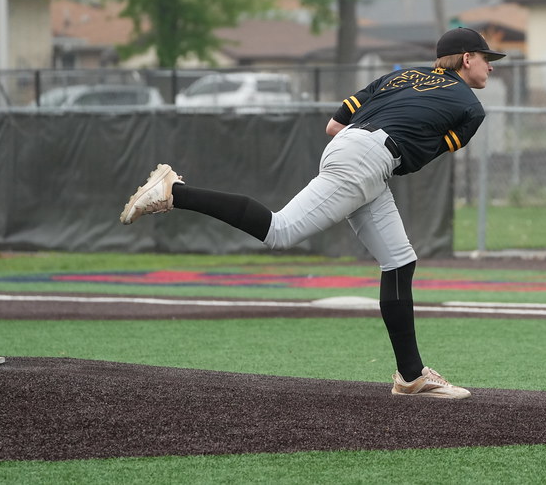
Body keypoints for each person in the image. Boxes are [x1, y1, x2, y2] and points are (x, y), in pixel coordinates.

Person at [119, 26, 506, 399]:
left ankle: (410, 376)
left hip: (353, 148)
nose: (491, 67)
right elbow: (421, 156)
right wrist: (374, 159)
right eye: (486, 59)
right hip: (372, 160)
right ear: (466, 58)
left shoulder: (400, 76)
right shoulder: (470, 106)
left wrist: (367, 154)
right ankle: (176, 192)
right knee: (280, 231)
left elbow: (334, 125)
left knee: (400, 261)